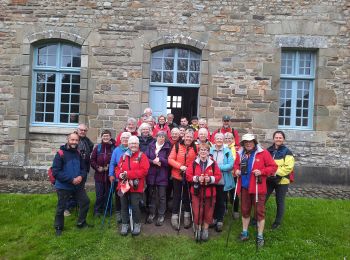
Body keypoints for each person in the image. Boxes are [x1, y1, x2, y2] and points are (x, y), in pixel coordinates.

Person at [234, 133, 277, 248]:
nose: (248, 143)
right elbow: (236, 166)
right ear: (243, 143)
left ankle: (260, 236)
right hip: (244, 187)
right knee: (244, 210)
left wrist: (262, 172)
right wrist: (236, 171)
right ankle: (244, 232)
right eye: (246, 142)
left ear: (254, 142)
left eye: (251, 141)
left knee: (259, 212)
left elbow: (273, 167)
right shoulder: (240, 153)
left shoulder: (263, 153)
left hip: (258, 188)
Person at [52, 132, 91, 236]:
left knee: (85, 202)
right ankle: (59, 227)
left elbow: (83, 168)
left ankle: (81, 222)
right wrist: (71, 179)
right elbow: (56, 172)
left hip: (77, 185)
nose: (74, 142)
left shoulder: (78, 153)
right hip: (64, 186)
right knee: (61, 207)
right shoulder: (60, 153)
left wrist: (81, 177)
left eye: (76, 140)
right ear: (68, 140)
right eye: (72, 140)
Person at [186, 143, 221, 241]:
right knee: (197, 212)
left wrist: (210, 179)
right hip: (197, 192)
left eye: (205, 150)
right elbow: (188, 176)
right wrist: (197, 178)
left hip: (210, 192)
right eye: (201, 150)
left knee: (208, 212)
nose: (203, 152)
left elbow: (218, 176)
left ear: (208, 152)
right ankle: (198, 228)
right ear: (198, 151)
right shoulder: (194, 163)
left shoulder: (213, 163)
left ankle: (205, 229)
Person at [115, 136, 150, 236]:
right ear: (128, 145)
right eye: (131, 143)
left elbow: (144, 171)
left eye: (135, 143)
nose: (133, 145)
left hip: (136, 186)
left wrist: (128, 174)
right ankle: (125, 224)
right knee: (124, 205)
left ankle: (137, 224)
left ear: (138, 144)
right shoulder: (124, 156)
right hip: (123, 185)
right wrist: (119, 175)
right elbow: (118, 168)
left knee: (135, 206)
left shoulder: (142, 156)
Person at [168, 129, 197, 230]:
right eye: (187, 136)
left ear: (193, 138)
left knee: (187, 196)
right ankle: (174, 216)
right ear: (183, 136)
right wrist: (180, 166)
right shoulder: (177, 146)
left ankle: (187, 216)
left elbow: (197, 161)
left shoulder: (195, 147)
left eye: (190, 137)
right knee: (176, 196)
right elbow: (170, 159)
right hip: (177, 176)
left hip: (189, 177)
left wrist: (189, 169)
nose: (188, 138)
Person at [266, 131, 295, 229]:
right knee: (262, 199)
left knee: (280, 201)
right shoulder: (268, 150)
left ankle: (277, 222)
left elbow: (288, 168)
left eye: (280, 137)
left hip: (282, 181)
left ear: (283, 139)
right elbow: (264, 163)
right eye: (276, 137)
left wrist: (274, 171)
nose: (278, 139)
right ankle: (257, 218)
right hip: (269, 180)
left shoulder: (287, 152)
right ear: (273, 139)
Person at [64, 124, 94, 216]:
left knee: (79, 189)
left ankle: (77, 205)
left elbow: (90, 150)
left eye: (85, 130)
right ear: (77, 130)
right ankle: (67, 208)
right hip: (72, 169)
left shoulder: (87, 141)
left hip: (83, 169)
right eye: (81, 130)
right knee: (70, 189)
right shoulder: (73, 140)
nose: (83, 132)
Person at [209, 133, 234, 232]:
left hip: (222, 180)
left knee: (221, 200)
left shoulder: (227, 151)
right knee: (212, 200)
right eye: (217, 138)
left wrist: (217, 167)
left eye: (221, 139)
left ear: (223, 140)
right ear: (214, 140)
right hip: (211, 180)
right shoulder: (210, 150)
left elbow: (230, 165)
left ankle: (220, 220)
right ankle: (214, 218)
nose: (219, 140)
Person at [145, 131, 171, 226]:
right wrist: (153, 162)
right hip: (151, 174)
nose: (161, 138)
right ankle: (152, 213)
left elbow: (169, 160)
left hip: (162, 175)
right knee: (152, 195)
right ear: (156, 137)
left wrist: (161, 160)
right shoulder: (150, 146)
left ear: (165, 138)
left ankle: (161, 215)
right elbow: (145, 158)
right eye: (159, 136)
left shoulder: (168, 147)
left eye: (163, 136)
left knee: (162, 196)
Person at [90, 130, 115, 217]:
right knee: (99, 194)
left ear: (110, 137)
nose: (106, 137)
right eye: (104, 136)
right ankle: (97, 210)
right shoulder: (98, 147)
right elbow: (92, 160)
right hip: (99, 176)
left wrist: (111, 167)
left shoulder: (113, 148)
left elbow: (116, 160)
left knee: (108, 194)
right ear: (102, 137)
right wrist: (97, 167)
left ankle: (107, 209)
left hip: (109, 175)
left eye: (107, 136)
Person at [109, 132, 131, 223]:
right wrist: (111, 174)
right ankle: (119, 212)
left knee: (129, 197)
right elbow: (112, 163)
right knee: (119, 196)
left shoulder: (132, 150)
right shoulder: (116, 150)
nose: (125, 139)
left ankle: (128, 212)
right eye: (123, 138)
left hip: (130, 178)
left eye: (127, 138)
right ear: (120, 140)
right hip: (119, 178)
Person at [224, 132, 239, 219]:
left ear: (233, 139)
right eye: (226, 138)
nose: (228, 140)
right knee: (224, 192)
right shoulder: (222, 148)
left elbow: (239, 161)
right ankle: (225, 207)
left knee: (234, 193)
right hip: (225, 173)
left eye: (230, 138)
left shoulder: (237, 149)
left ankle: (235, 210)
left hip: (234, 174)